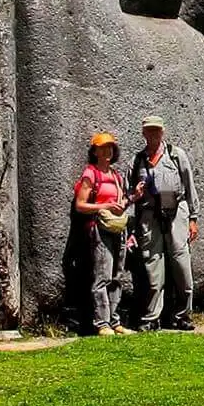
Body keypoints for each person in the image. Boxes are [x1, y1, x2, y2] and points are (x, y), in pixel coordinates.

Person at [129, 115, 200, 332]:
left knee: (181, 265)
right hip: (149, 216)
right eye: (149, 130)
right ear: (143, 133)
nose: (153, 134)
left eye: (156, 130)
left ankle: (182, 315)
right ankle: (152, 317)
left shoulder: (176, 156)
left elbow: (189, 186)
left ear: (163, 132)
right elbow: (128, 195)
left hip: (176, 211)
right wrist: (131, 227)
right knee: (152, 268)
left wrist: (193, 218)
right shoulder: (137, 160)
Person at [73, 132, 135, 336]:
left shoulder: (116, 176)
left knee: (117, 276)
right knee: (103, 275)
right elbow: (80, 205)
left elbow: (121, 203)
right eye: (102, 148)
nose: (107, 151)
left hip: (118, 228)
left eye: (110, 148)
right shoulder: (91, 174)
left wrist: (132, 198)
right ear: (94, 151)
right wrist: (105, 205)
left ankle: (115, 321)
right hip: (99, 229)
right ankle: (102, 323)